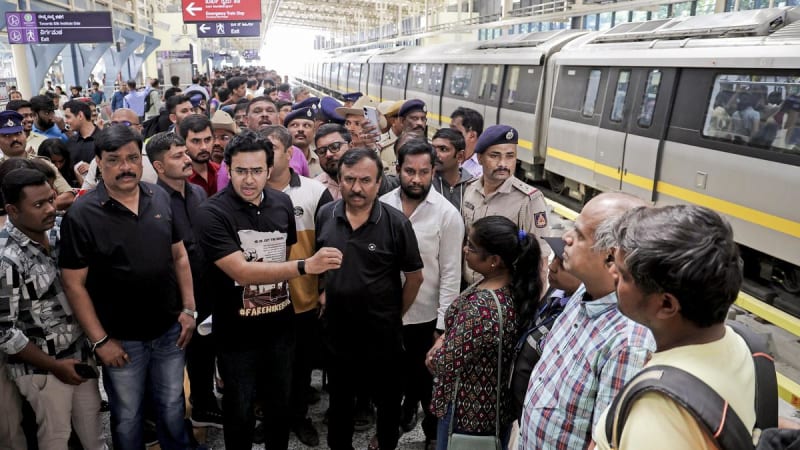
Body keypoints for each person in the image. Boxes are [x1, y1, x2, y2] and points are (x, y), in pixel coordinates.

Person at [195, 129, 342, 450]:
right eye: (241, 171)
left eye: (257, 170)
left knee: (280, 407)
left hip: (280, 326)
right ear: (228, 169)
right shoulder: (212, 213)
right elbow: (241, 271)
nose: (249, 180)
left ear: (269, 168)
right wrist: (306, 266)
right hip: (236, 331)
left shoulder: (281, 203)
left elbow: (282, 256)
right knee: (240, 410)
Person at [59, 124, 196, 450]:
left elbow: (179, 256)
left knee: (172, 404)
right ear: (99, 162)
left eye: (133, 158)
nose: (126, 167)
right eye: (114, 160)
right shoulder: (82, 215)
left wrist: (189, 309)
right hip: (121, 340)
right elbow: (74, 284)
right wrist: (100, 341)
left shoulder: (158, 196)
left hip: (169, 331)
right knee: (128, 415)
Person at [589, 205, 753, 449]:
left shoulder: (656, 417)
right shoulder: (734, 345)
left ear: (666, 304)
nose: (612, 272)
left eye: (624, 275)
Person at [518, 192, 655, 450]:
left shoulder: (628, 343)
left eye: (580, 235)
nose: (566, 238)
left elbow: (605, 442)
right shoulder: (583, 292)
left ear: (612, 257)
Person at [316, 148, 424, 450]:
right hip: (337, 334)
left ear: (379, 183)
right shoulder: (326, 215)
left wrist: (394, 315)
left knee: (387, 405)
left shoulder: (396, 223)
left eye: (365, 180)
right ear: (339, 180)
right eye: (349, 179)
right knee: (340, 404)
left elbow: (415, 278)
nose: (357, 188)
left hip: (382, 336)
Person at [0, 168, 106, 450]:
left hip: (80, 354)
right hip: (42, 369)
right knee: (55, 439)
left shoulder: (60, 229)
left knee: (94, 435)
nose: (50, 209)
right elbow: (4, 332)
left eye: (51, 199)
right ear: (12, 210)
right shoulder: (6, 258)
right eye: (38, 204)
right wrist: (54, 367)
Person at [428, 215, 543, 450]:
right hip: (492, 412)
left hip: (467, 418)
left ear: (494, 260)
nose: (465, 249)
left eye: (471, 247)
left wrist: (436, 352)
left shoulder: (482, 309)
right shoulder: (508, 286)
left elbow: (444, 363)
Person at [380, 140, 464, 450]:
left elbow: (451, 273)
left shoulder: (447, 215)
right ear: (398, 169)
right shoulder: (382, 205)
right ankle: (386, 435)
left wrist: (442, 326)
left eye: (424, 172)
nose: (416, 179)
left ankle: (431, 436)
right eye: (410, 171)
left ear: (433, 172)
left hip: (426, 318)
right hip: (387, 315)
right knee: (388, 383)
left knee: (427, 384)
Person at [260, 125, 333, 447]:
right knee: (267, 365)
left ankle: (299, 416)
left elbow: (329, 242)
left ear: (290, 154)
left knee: (302, 363)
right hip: (262, 298)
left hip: (304, 296)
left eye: (271, 149)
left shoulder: (314, 192)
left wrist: (325, 288)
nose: (264, 157)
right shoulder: (250, 191)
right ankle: (270, 419)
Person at [461, 125, 550, 285]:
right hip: (469, 288)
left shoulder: (528, 200)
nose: (503, 163)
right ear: (480, 158)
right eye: (494, 156)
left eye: (510, 156)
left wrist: (534, 298)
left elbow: (540, 260)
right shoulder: (470, 190)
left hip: (506, 293)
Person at [0, 111, 75, 210]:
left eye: (18, 133)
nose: (15, 139)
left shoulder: (43, 164)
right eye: (7, 136)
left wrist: (39, 209)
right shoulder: (1, 168)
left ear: (25, 135)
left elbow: (68, 196)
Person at [431, 128, 473, 214]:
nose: (435, 154)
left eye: (443, 149)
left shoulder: (471, 186)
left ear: (460, 156)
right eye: (432, 149)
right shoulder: (426, 183)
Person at [179, 114, 220, 197]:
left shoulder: (220, 171)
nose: (203, 147)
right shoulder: (179, 179)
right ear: (183, 143)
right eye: (196, 141)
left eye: (207, 140)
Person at [313, 123, 351, 200]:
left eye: (335, 147)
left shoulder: (368, 178)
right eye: (322, 151)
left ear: (350, 146)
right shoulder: (313, 188)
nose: (328, 154)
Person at [450, 107, 483, 177]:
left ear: (472, 136)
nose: (449, 135)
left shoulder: (484, 167)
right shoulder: (445, 156)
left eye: (455, 132)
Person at [63, 100, 99, 164]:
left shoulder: (104, 139)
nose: (65, 121)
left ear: (80, 115)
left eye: (68, 117)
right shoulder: (70, 142)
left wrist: (93, 168)